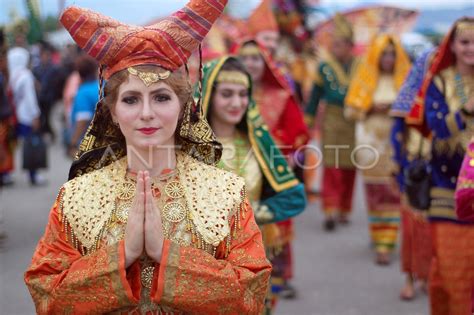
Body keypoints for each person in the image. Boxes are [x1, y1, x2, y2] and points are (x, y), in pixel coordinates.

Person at [24, 1, 272, 314]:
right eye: (130, 99)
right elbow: (46, 294)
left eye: (161, 97)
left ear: (183, 106)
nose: (146, 113)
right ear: (112, 112)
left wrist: (165, 253)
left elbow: (251, 294)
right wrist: (121, 255)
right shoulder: (76, 198)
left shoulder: (225, 193)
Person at [201, 55, 307, 311]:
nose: (236, 103)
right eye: (226, 94)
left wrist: (256, 214)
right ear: (207, 96)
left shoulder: (258, 142)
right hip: (206, 263)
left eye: (243, 94)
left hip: (255, 256)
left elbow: (294, 196)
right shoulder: (190, 148)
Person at [406, 17, 474, 315]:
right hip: (448, 189)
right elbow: (435, 128)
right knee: (452, 270)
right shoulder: (440, 81)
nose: (472, 48)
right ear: (454, 46)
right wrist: (465, 111)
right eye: (465, 42)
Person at [239, 39, 309, 299]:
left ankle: (279, 277)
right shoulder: (229, 94)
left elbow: (300, 131)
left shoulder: (280, 95)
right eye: (245, 58)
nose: (250, 63)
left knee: (276, 221)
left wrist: (286, 154)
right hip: (238, 168)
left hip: (273, 169)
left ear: (265, 63)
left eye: (255, 58)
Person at [345, 34, 411, 265]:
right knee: (374, 193)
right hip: (369, 143)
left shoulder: (405, 80)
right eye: (384, 54)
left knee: (392, 191)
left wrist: (395, 109)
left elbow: (415, 112)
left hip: (395, 145)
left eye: (392, 54)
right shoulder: (365, 78)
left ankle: (386, 242)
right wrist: (371, 107)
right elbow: (351, 110)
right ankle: (377, 234)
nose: (388, 58)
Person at [305, 13, 357, 231]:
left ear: (350, 45)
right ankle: (330, 210)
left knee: (351, 166)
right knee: (332, 164)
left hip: (355, 120)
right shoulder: (324, 67)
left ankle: (344, 207)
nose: (336, 48)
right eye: (334, 44)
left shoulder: (361, 66)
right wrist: (307, 121)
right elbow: (315, 96)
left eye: (341, 44)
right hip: (332, 119)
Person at [390, 48, 434, 300]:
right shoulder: (408, 97)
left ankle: (427, 276)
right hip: (412, 170)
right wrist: (398, 167)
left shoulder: (449, 93)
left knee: (433, 230)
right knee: (410, 229)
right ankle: (409, 277)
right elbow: (397, 134)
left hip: (441, 171)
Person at [7, 47, 44, 186]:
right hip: (27, 115)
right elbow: (30, 98)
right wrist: (35, 115)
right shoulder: (26, 75)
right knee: (31, 145)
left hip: (15, 115)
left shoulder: (11, 75)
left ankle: (8, 173)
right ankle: (33, 174)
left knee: (15, 145)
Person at [68, 54, 98, 157]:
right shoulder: (103, 85)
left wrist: (73, 143)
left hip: (89, 145)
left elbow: (82, 120)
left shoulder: (83, 92)